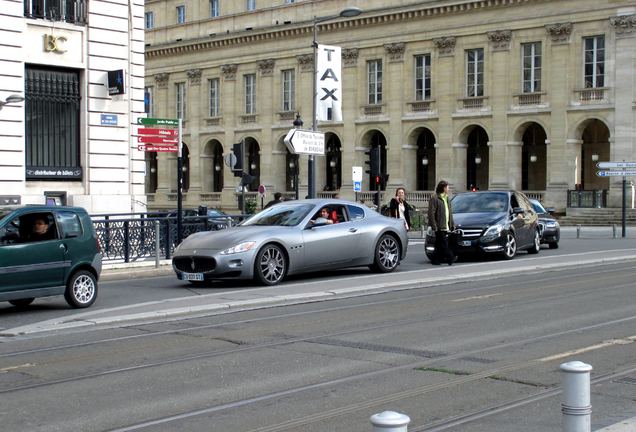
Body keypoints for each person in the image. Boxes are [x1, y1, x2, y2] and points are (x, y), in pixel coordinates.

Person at [428, 180, 456, 265]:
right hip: (439, 225)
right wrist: (434, 226)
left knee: (439, 244)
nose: (448, 189)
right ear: (443, 188)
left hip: (445, 224)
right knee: (443, 243)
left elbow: (449, 212)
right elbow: (431, 213)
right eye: (447, 187)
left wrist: (452, 224)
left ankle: (435, 259)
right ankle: (450, 257)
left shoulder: (447, 198)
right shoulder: (435, 198)